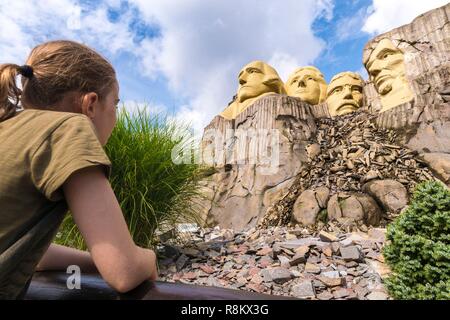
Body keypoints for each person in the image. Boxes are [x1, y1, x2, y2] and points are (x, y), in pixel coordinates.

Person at [0, 40, 158, 299]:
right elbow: (124, 271)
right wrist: (149, 258)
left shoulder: (9, 126)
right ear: (91, 105)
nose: (115, 117)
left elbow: (33, 254)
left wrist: (97, 259)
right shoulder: (68, 127)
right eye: (115, 104)